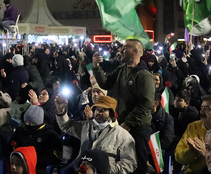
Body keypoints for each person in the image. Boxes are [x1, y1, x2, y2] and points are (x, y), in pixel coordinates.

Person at [92, 38, 154, 174]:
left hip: (137, 127)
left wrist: (129, 123)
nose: (121, 50)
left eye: (125, 48)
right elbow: (105, 83)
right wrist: (96, 68)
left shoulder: (144, 75)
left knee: (138, 163)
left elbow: (146, 104)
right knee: (122, 162)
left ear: (135, 51)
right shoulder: (122, 69)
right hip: (122, 124)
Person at [55, 94, 137, 174]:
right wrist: (60, 111)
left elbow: (130, 163)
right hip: (80, 169)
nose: (99, 113)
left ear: (111, 113)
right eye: (97, 109)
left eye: (103, 110)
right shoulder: (87, 126)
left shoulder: (123, 136)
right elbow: (67, 126)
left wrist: (105, 169)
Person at [9, 104, 62, 173]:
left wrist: (31, 161)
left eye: (32, 123)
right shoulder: (20, 131)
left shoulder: (50, 135)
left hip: (38, 167)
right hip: (18, 165)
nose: (28, 124)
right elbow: (10, 146)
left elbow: (54, 157)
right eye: (26, 122)